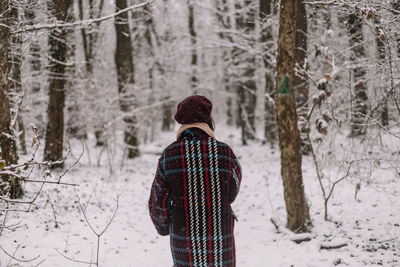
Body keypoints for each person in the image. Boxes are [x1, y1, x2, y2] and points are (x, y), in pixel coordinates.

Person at [149, 95, 242, 267]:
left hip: (183, 238)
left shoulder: (169, 155)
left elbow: (158, 201)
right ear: (208, 121)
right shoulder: (225, 153)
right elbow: (231, 193)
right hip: (220, 236)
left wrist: (163, 227)